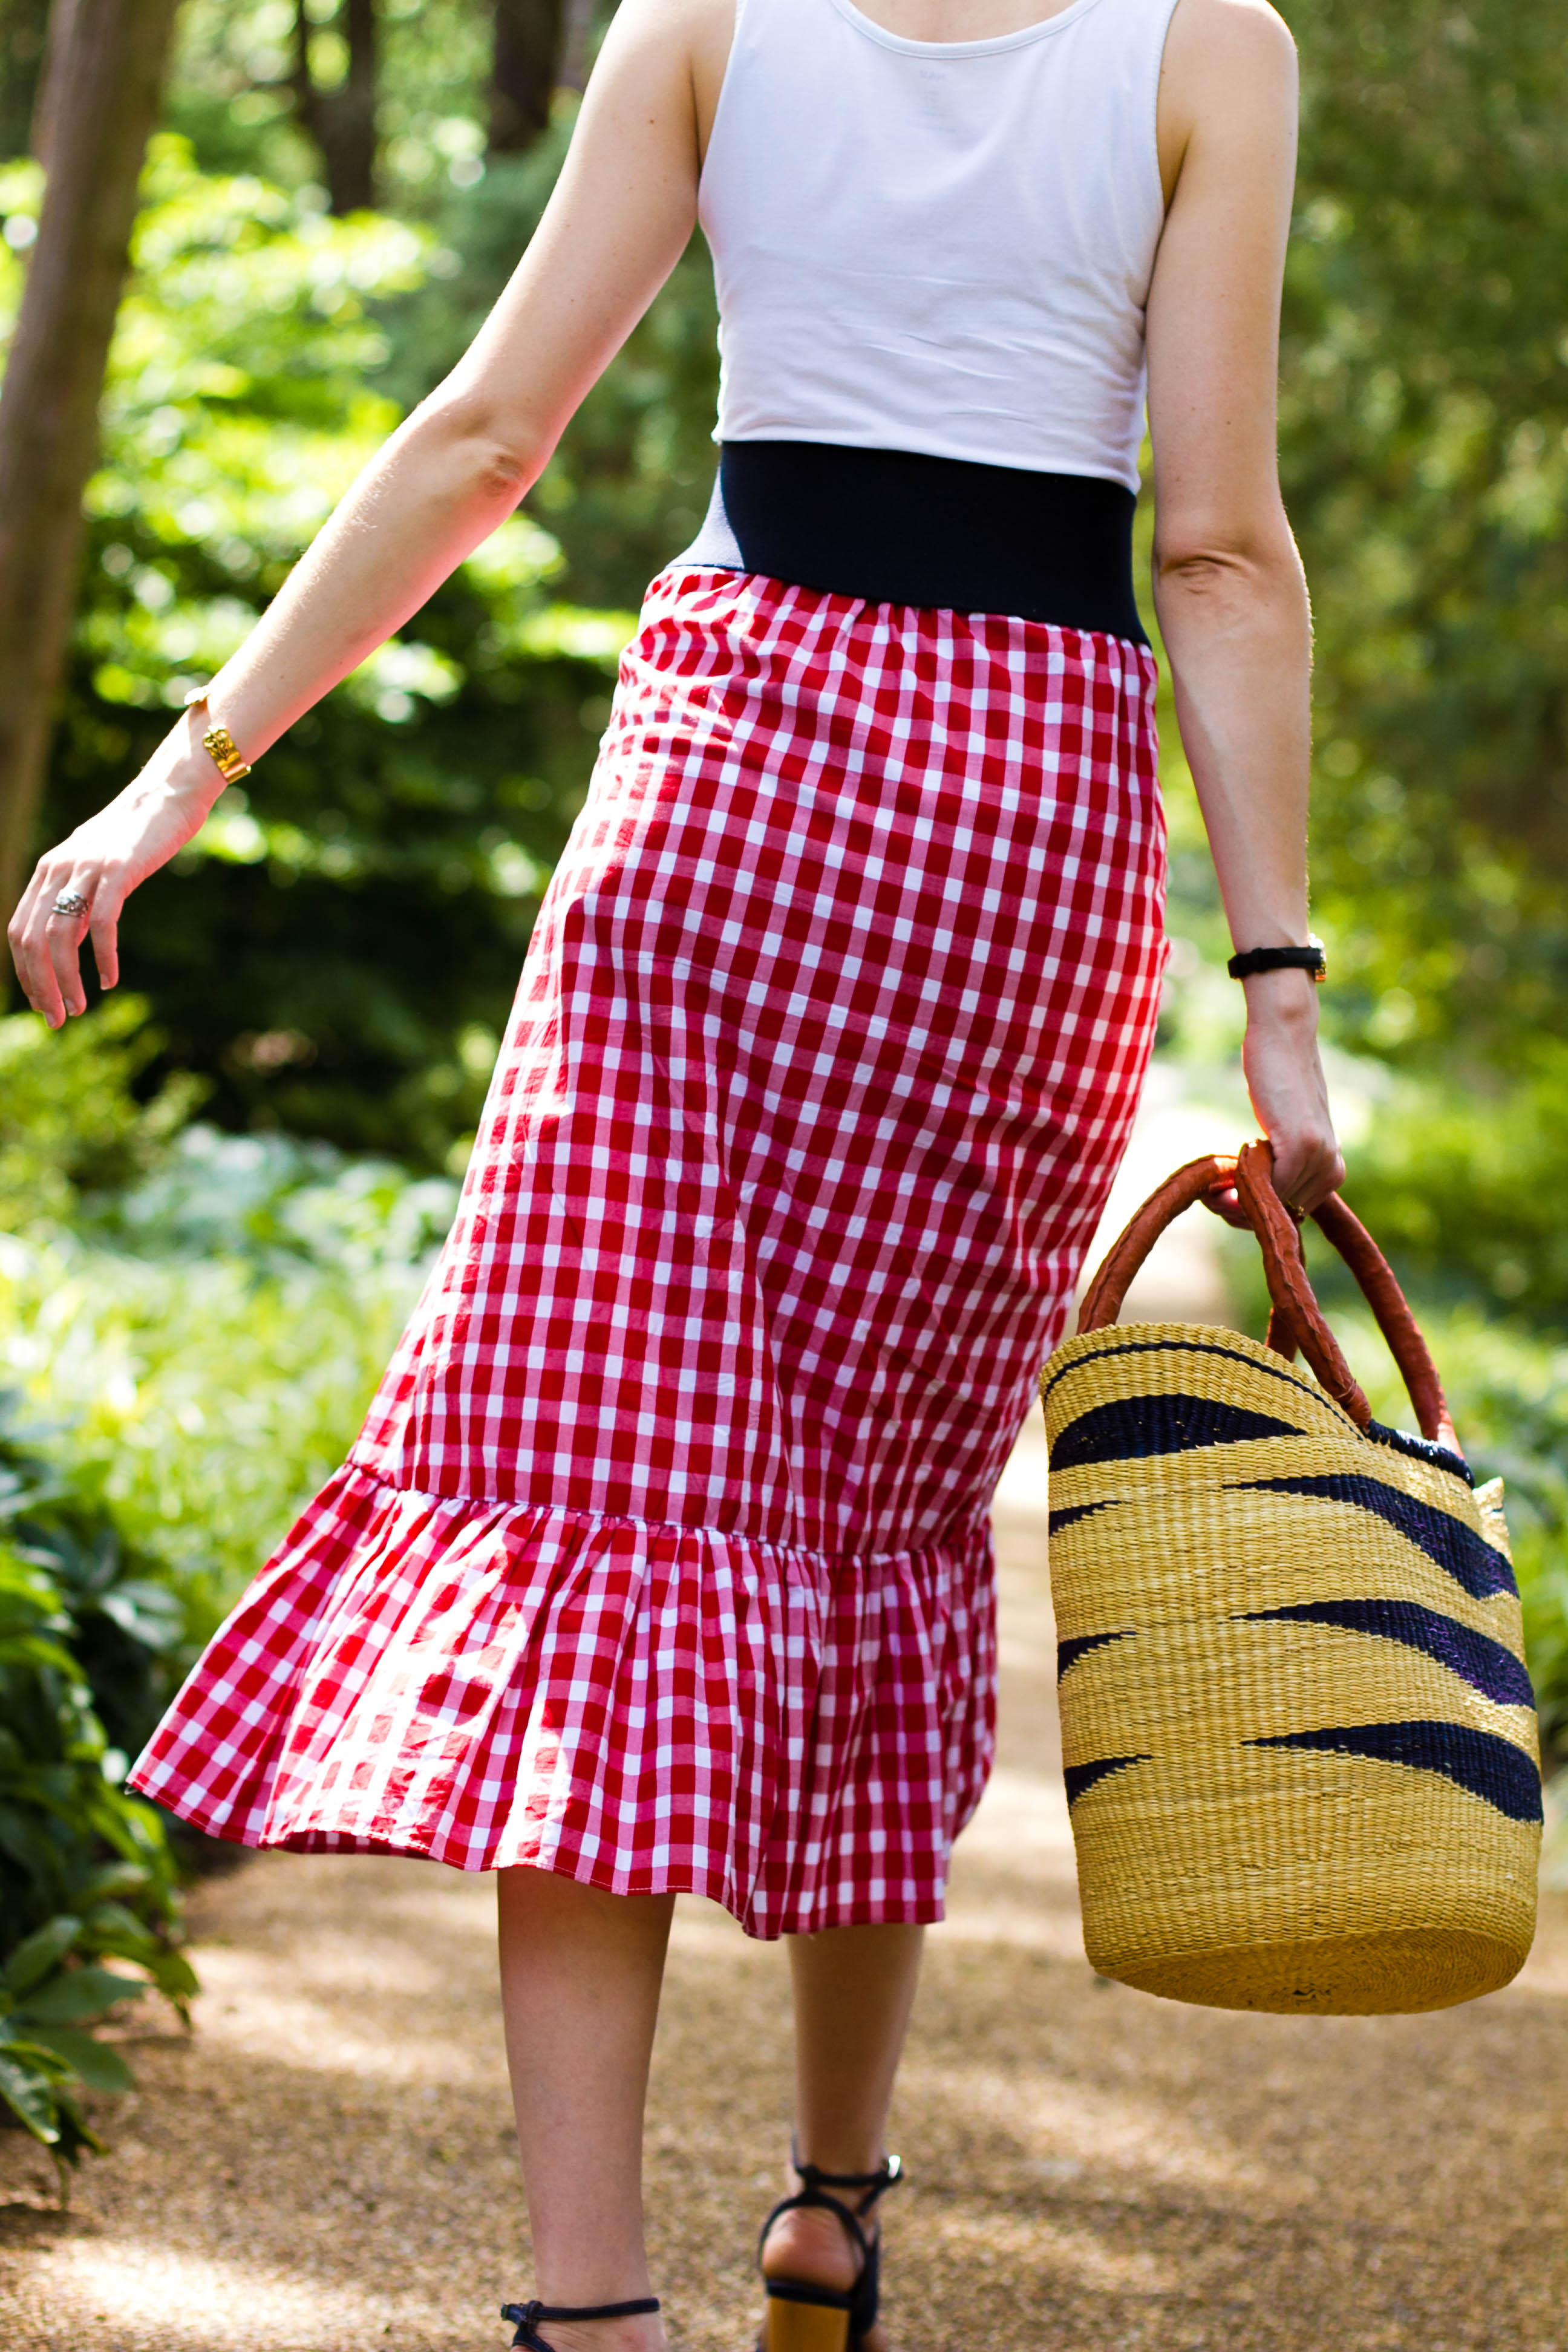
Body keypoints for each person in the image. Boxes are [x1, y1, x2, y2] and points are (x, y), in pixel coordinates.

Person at [8, 0, 1343, 2344]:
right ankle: (835, 2201)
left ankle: (589, 2312)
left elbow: (491, 437)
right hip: (1008, 853)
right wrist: (1279, 991)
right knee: (882, 1526)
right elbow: (1216, 554)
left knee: (592, 1516)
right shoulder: (1207, 48)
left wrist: (184, 770)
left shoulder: (708, 13)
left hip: (720, 817)